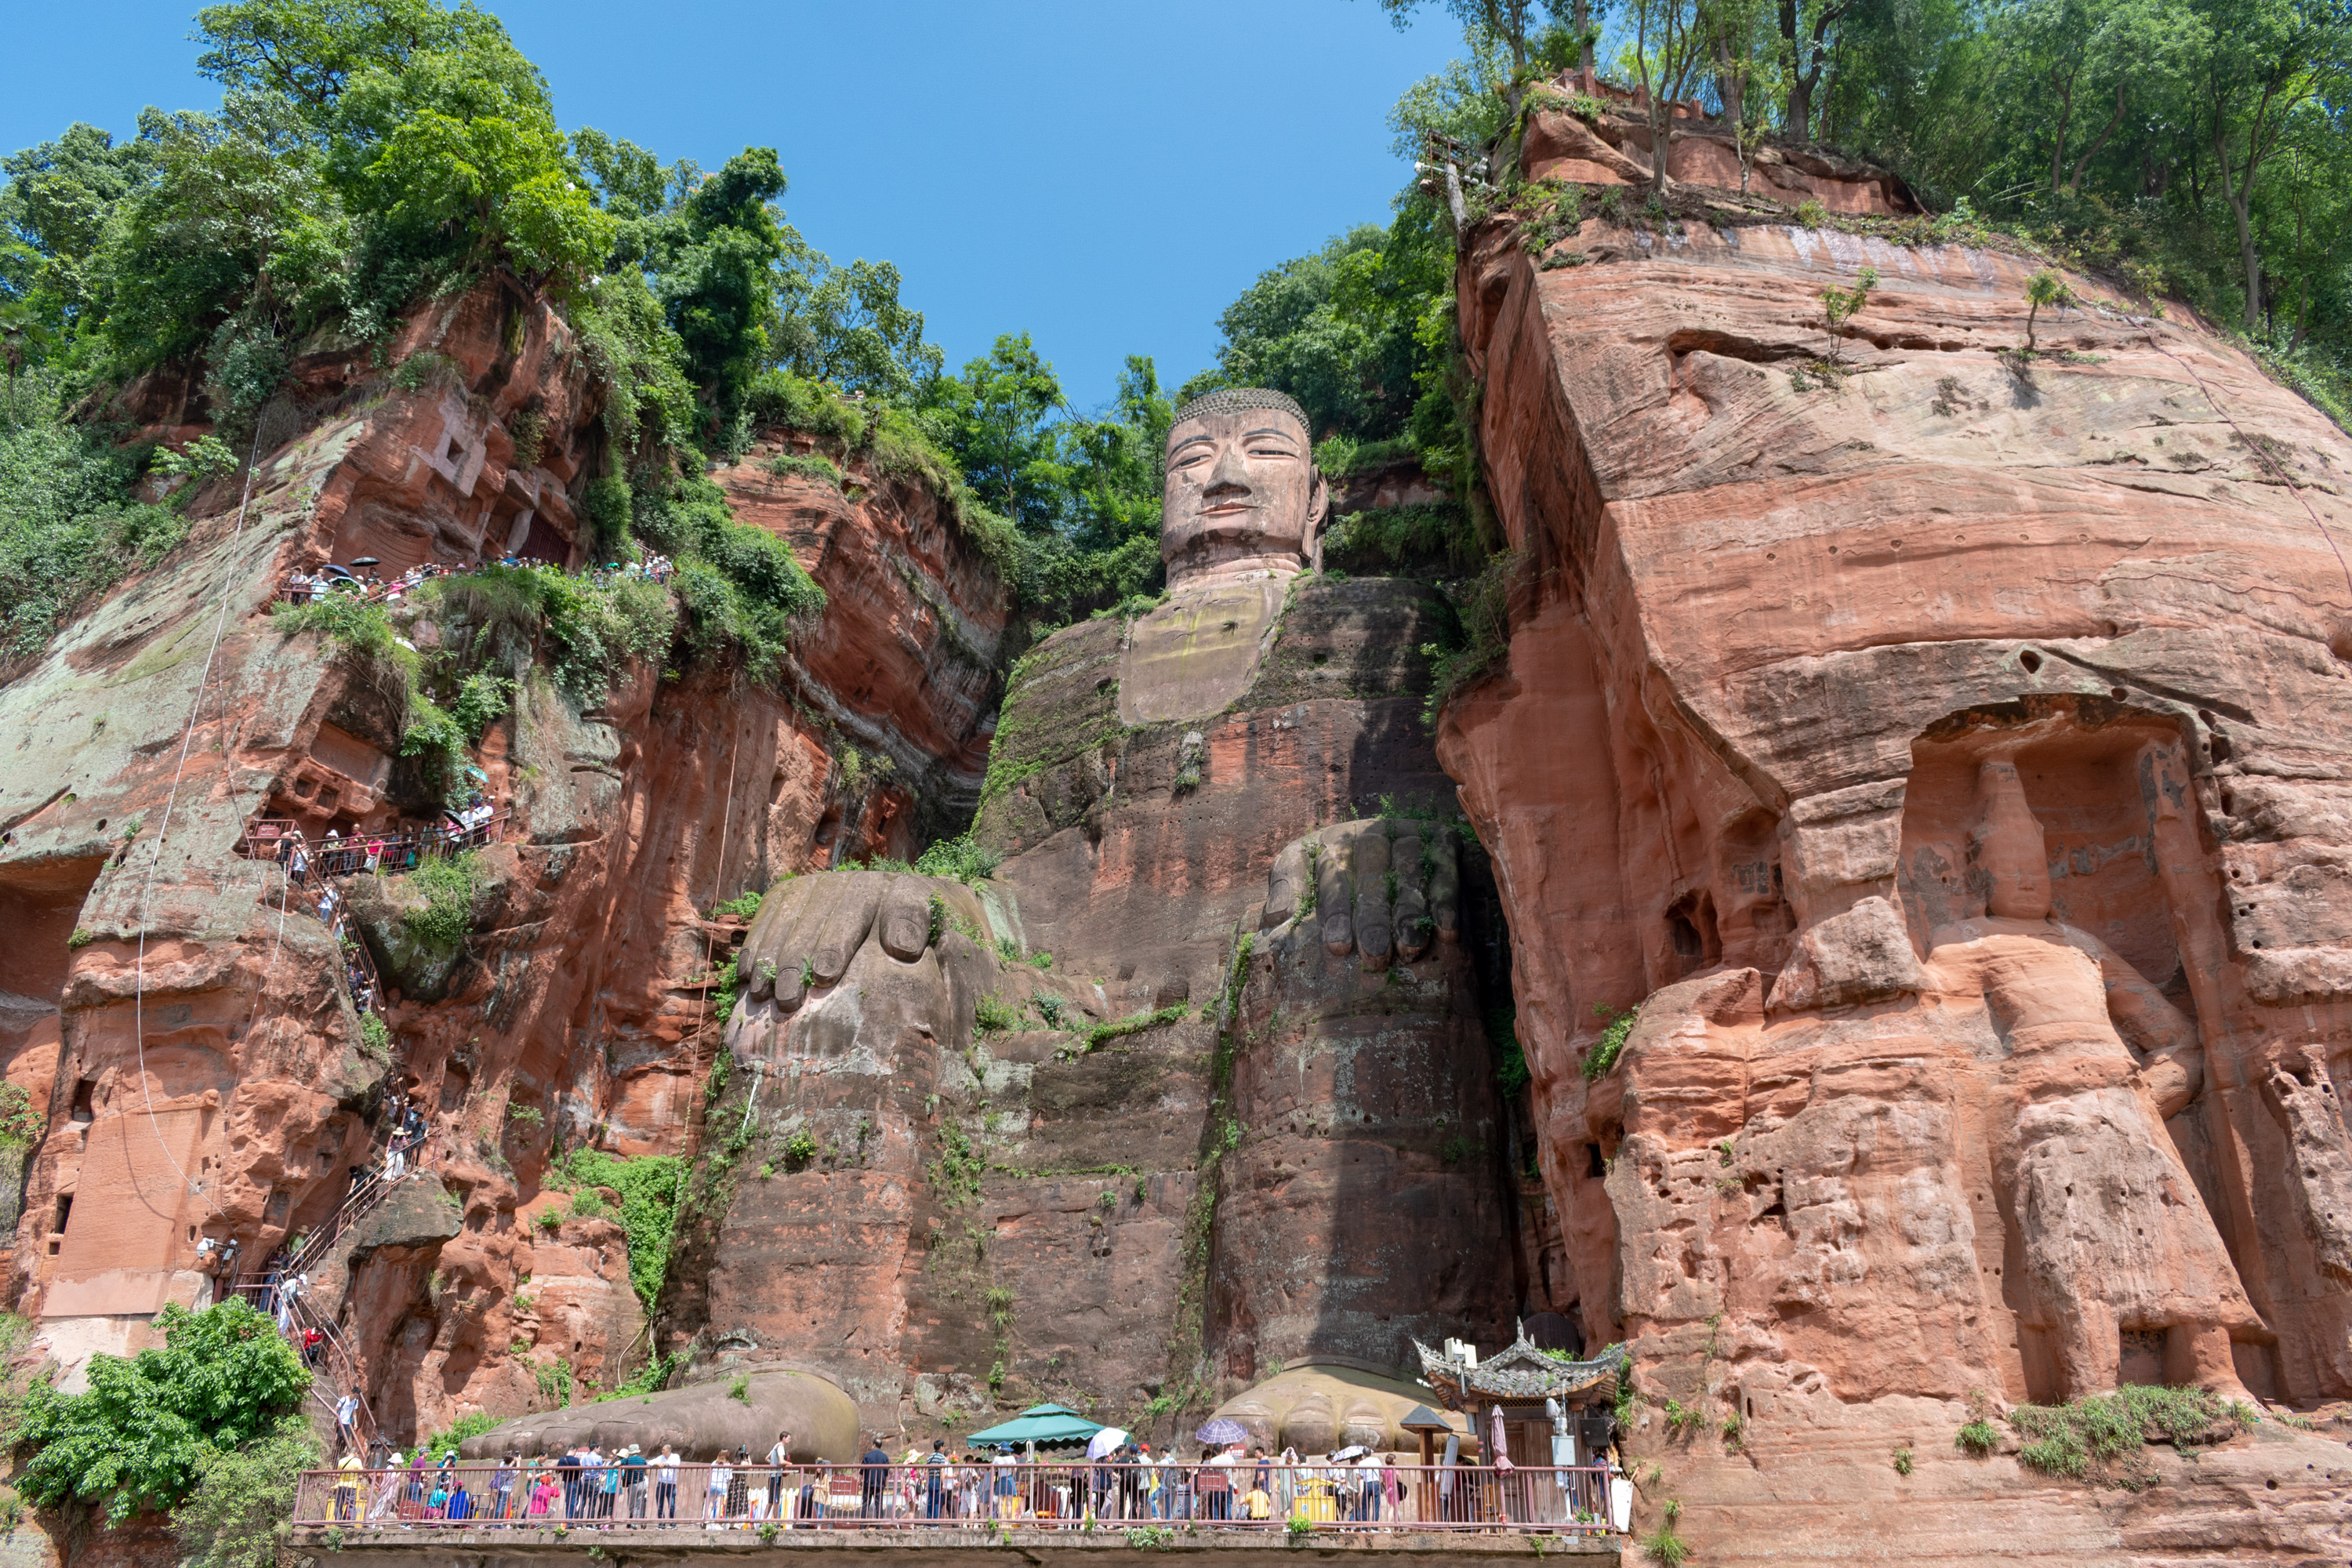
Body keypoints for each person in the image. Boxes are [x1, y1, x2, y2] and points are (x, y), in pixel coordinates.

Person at [860, 1436, 890, 1523]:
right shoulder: (885, 1457)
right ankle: (879, 1524)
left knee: (865, 1504)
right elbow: (887, 1472)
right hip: (880, 1483)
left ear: (874, 1445)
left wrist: (860, 1482)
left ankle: (862, 1524)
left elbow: (862, 1471)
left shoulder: (867, 1456)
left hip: (868, 1483)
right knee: (879, 1504)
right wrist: (885, 1483)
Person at [766, 1431, 791, 1523]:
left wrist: (773, 1464)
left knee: (771, 1501)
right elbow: (781, 1461)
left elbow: (767, 1458)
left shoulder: (775, 1446)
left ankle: (764, 1521)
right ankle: (776, 1521)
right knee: (776, 1500)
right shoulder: (781, 1448)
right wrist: (790, 1464)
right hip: (777, 1476)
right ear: (784, 1438)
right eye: (789, 1438)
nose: (790, 1440)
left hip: (772, 1475)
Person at [705, 1446, 732, 1527]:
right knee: (718, 1506)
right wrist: (727, 1490)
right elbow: (729, 1479)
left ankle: (706, 1522)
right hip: (721, 1486)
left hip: (712, 1485)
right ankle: (716, 1523)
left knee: (710, 1505)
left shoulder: (714, 1463)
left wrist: (708, 1485)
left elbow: (709, 1474)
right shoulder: (727, 1465)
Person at [335, 1449, 363, 1522]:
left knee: (338, 1504)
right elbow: (360, 1475)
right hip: (351, 1486)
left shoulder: (341, 1461)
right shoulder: (358, 1461)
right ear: (356, 1453)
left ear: (348, 1452)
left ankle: (338, 1521)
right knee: (351, 1505)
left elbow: (338, 1474)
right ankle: (351, 1522)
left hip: (341, 1485)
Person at [655, 1443, 681, 1523]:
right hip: (661, 1484)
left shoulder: (675, 1457)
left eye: (664, 1450)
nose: (662, 1451)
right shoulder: (661, 1458)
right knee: (660, 1505)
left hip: (671, 1485)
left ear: (669, 1451)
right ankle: (661, 1524)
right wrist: (657, 1464)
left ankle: (672, 1523)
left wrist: (666, 1464)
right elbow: (650, 1462)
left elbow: (676, 1463)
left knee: (672, 1505)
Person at [924, 1439, 948, 1519]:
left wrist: (927, 1482)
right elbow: (942, 1471)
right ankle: (935, 1522)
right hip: (937, 1480)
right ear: (940, 1447)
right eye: (943, 1446)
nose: (944, 1448)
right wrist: (943, 1484)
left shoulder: (930, 1457)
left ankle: (928, 1521)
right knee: (937, 1502)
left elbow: (927, 1471)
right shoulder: (941, 1457)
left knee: (930, 1501)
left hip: (930, 1480)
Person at [624, 1443, 648, 1519]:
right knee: (639, 1504)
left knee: (631, 1505)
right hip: (642, 1483)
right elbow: (647, 1472)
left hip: (633, 1484)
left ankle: (635, 1520)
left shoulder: (628, 1460)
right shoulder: (643, 1460)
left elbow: (617, 1463)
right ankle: (639, 1520)